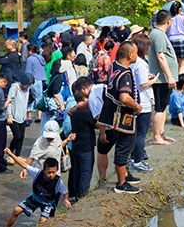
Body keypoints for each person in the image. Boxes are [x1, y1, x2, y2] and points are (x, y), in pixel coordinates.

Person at [98, 41, 143, 194]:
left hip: (111, 117)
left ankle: (124, 174)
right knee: (123, 148)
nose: (137, 55)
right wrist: (137, 106)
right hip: (123, 119)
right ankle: (121, 184)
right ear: (130, 55)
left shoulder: (114, 66)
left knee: (125, 146)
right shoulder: (125, 74)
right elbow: (124, 97)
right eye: (136, 52)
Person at [1, 154, 69, 226]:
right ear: (44, 170)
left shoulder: (58, 181)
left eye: (53, 172)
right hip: (35, 198)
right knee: (16, 210)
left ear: (57, 170)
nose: (51, 175)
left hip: (48, 203)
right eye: (49, 172)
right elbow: (24, 165)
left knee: (43, 222)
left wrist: (66, 199)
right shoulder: (37, 173)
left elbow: (65, 192)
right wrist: (11, 154)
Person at [147, 10, 178, 146]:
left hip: (163, 78)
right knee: (159, 107)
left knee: (163, 106)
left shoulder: (157, 33)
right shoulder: (158, 35)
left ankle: (161, 133)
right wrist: (170, 76)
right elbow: (160, 56)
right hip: (161, 78)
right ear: (168, 21)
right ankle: (156, 136)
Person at [66, 77, 95, 201]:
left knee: (77, 172)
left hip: (76, 146)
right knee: (85, 173)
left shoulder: (73, 112)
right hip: (86, 147)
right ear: (84, 99)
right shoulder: (85, 112)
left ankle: (76, 195)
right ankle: (83, 198)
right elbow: (97, 124)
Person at [130, 34, 155, 173]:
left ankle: (134, 158)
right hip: (142, 102)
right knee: (141, 134)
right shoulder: (141, 63)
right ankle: (137, 161)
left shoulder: (133, 61)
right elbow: (143, 83)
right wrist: (154, 79)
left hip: (133, 100)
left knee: (135, 133)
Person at [6, 75, 33, 161]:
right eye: (28, 84)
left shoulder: (27, 89)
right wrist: (9, 116)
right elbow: (9, 102)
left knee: (21, 137)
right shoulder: (14, 88)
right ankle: (10, 155)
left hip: (22, 116)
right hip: (13, 117)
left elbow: (25, 102)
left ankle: (17, 156)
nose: (29, 86)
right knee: (17, 136)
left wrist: (25, 114)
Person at [167, 1, 184, 75]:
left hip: (171, 41)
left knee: (174, 64)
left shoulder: (169, 18)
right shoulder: (182, 17)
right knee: (182, 65)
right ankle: (181, 84)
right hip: (181, 40)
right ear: (179, 9)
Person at [25, 45, 46, 123]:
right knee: (39, 98)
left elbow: (28, 72)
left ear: (30, 50)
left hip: (33, 80)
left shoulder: (30, 59)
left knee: (29, 99)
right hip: (41, 80)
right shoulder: (41, 58)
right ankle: (39, 116)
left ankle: (28, 117)